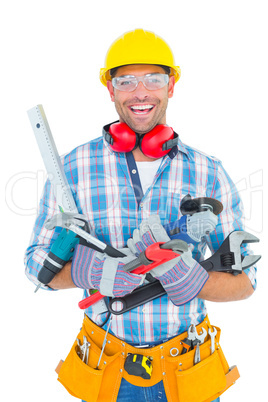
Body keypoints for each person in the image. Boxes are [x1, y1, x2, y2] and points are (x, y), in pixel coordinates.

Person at [25, 29, 257, 402]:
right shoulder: (72, 168)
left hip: (188, 367)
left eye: (154, 79)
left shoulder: (208, 172)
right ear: (110, 89)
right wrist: (89, 272)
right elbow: (35, 267)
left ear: (172, 84)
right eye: (126, 81)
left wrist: (193, 279)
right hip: (105, 365)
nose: (141, 92)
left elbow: (245, 283)